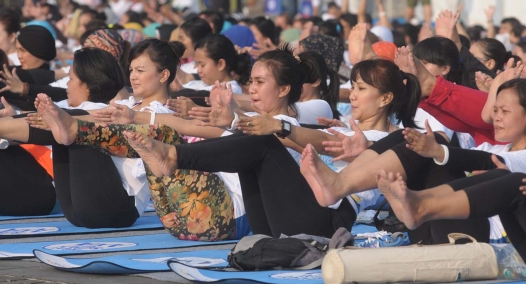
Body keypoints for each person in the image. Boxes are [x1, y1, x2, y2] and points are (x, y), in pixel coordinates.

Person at [92, 53, 422, 238]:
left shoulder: (391, 140)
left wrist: (272, 126)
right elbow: (312, 135)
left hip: (325, 224)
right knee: (256, 140)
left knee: (263, 140)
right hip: (283, 217)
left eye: (361, 88)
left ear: (386, 98)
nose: (353, 95)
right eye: (353, 86)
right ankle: (170, 155)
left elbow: (323, 143)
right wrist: (232, 121)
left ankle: (174, 156)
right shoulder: (337, 124)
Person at [377, 78, 526, 260]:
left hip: (487, 243)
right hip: (448, 235)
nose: (497, 117)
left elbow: (485, 161)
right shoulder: (492, 147)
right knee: (419, 148)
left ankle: (421, 204)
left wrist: (440, 151)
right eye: (495, 110)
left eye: (505, 111)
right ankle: (346, 181)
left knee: (443, 151)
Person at [0, 48, 132, 222]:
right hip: (60, 193)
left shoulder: (104, 114)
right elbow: (36, 121)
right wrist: (13, 117)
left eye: (71, 79)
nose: (67, 85)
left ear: (87, 85)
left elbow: (46, 124)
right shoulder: (67, 107)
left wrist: (2, 127)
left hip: (54, 192)